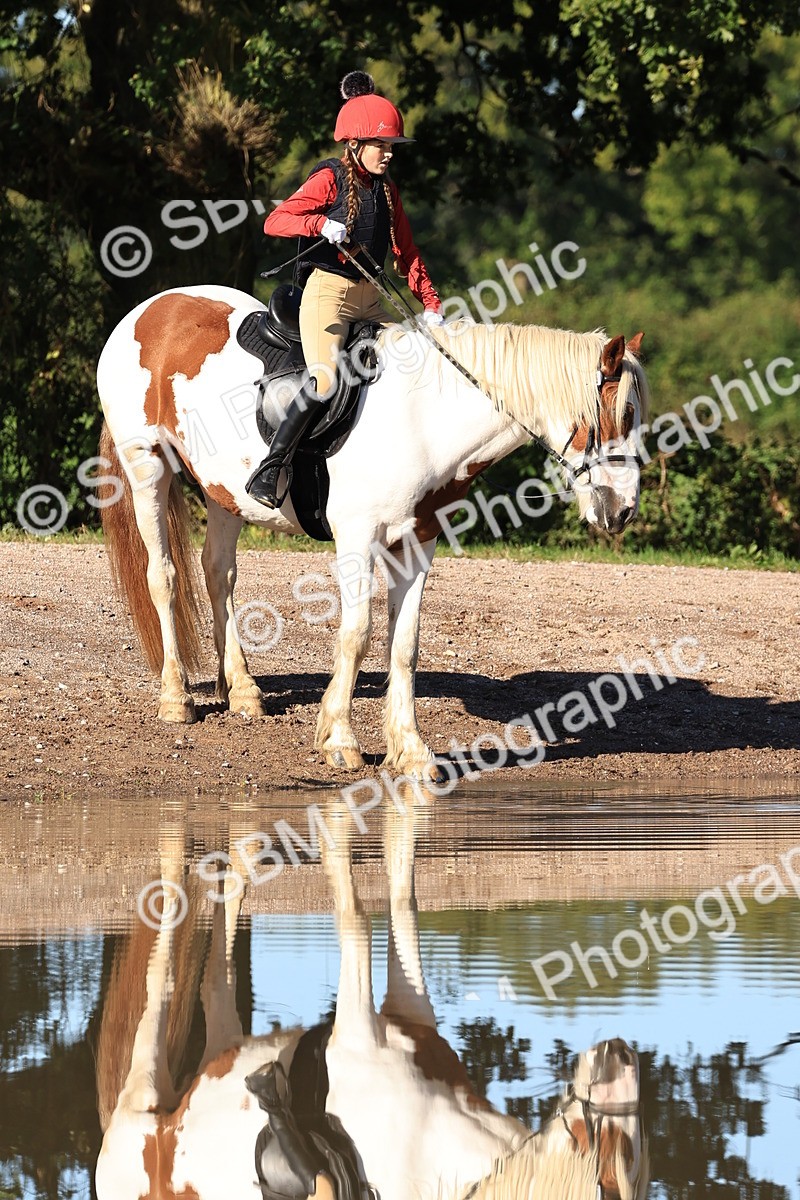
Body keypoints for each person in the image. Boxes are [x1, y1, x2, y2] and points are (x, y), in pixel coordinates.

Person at [246, 70, 443, 509]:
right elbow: (275, 221)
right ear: (354, 144)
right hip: (328, 295)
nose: (388, 154)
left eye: (391, 147)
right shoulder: (330, 179)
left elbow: (406, 252)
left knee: (416, 360)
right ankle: (271, 467)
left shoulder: (389, 192)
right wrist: (319, 223)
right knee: (325, 378)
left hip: (371, 297)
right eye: (381, 146)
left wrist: (432, 305)